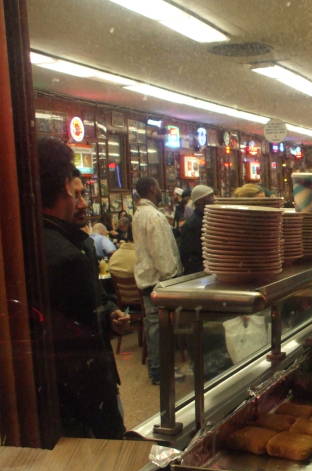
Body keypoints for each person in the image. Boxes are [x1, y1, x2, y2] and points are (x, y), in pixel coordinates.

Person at [38, 137, 129, 438]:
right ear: (64, 185)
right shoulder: (64, 256)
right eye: (77, 193)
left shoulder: (42, 241)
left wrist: (109, 311)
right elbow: (80, 336)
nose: (83, 203)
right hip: (78, 394)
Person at [133, 176, 183, 385]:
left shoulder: (139, 214)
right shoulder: (154, 216)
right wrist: (172, 275)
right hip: (159, 280)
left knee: (154, 326)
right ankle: (160, 371)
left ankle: (159, 368)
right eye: (159, 186)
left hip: (147, 278)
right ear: (153, 189)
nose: (161, 190)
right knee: (159, 327)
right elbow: (161, 252)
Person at [179, 184, 215, 275]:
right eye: (210, 196)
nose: (214, 200)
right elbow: (187, 255)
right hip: (199, 274)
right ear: (201, 201)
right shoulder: (192, 224)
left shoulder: (209, 219)